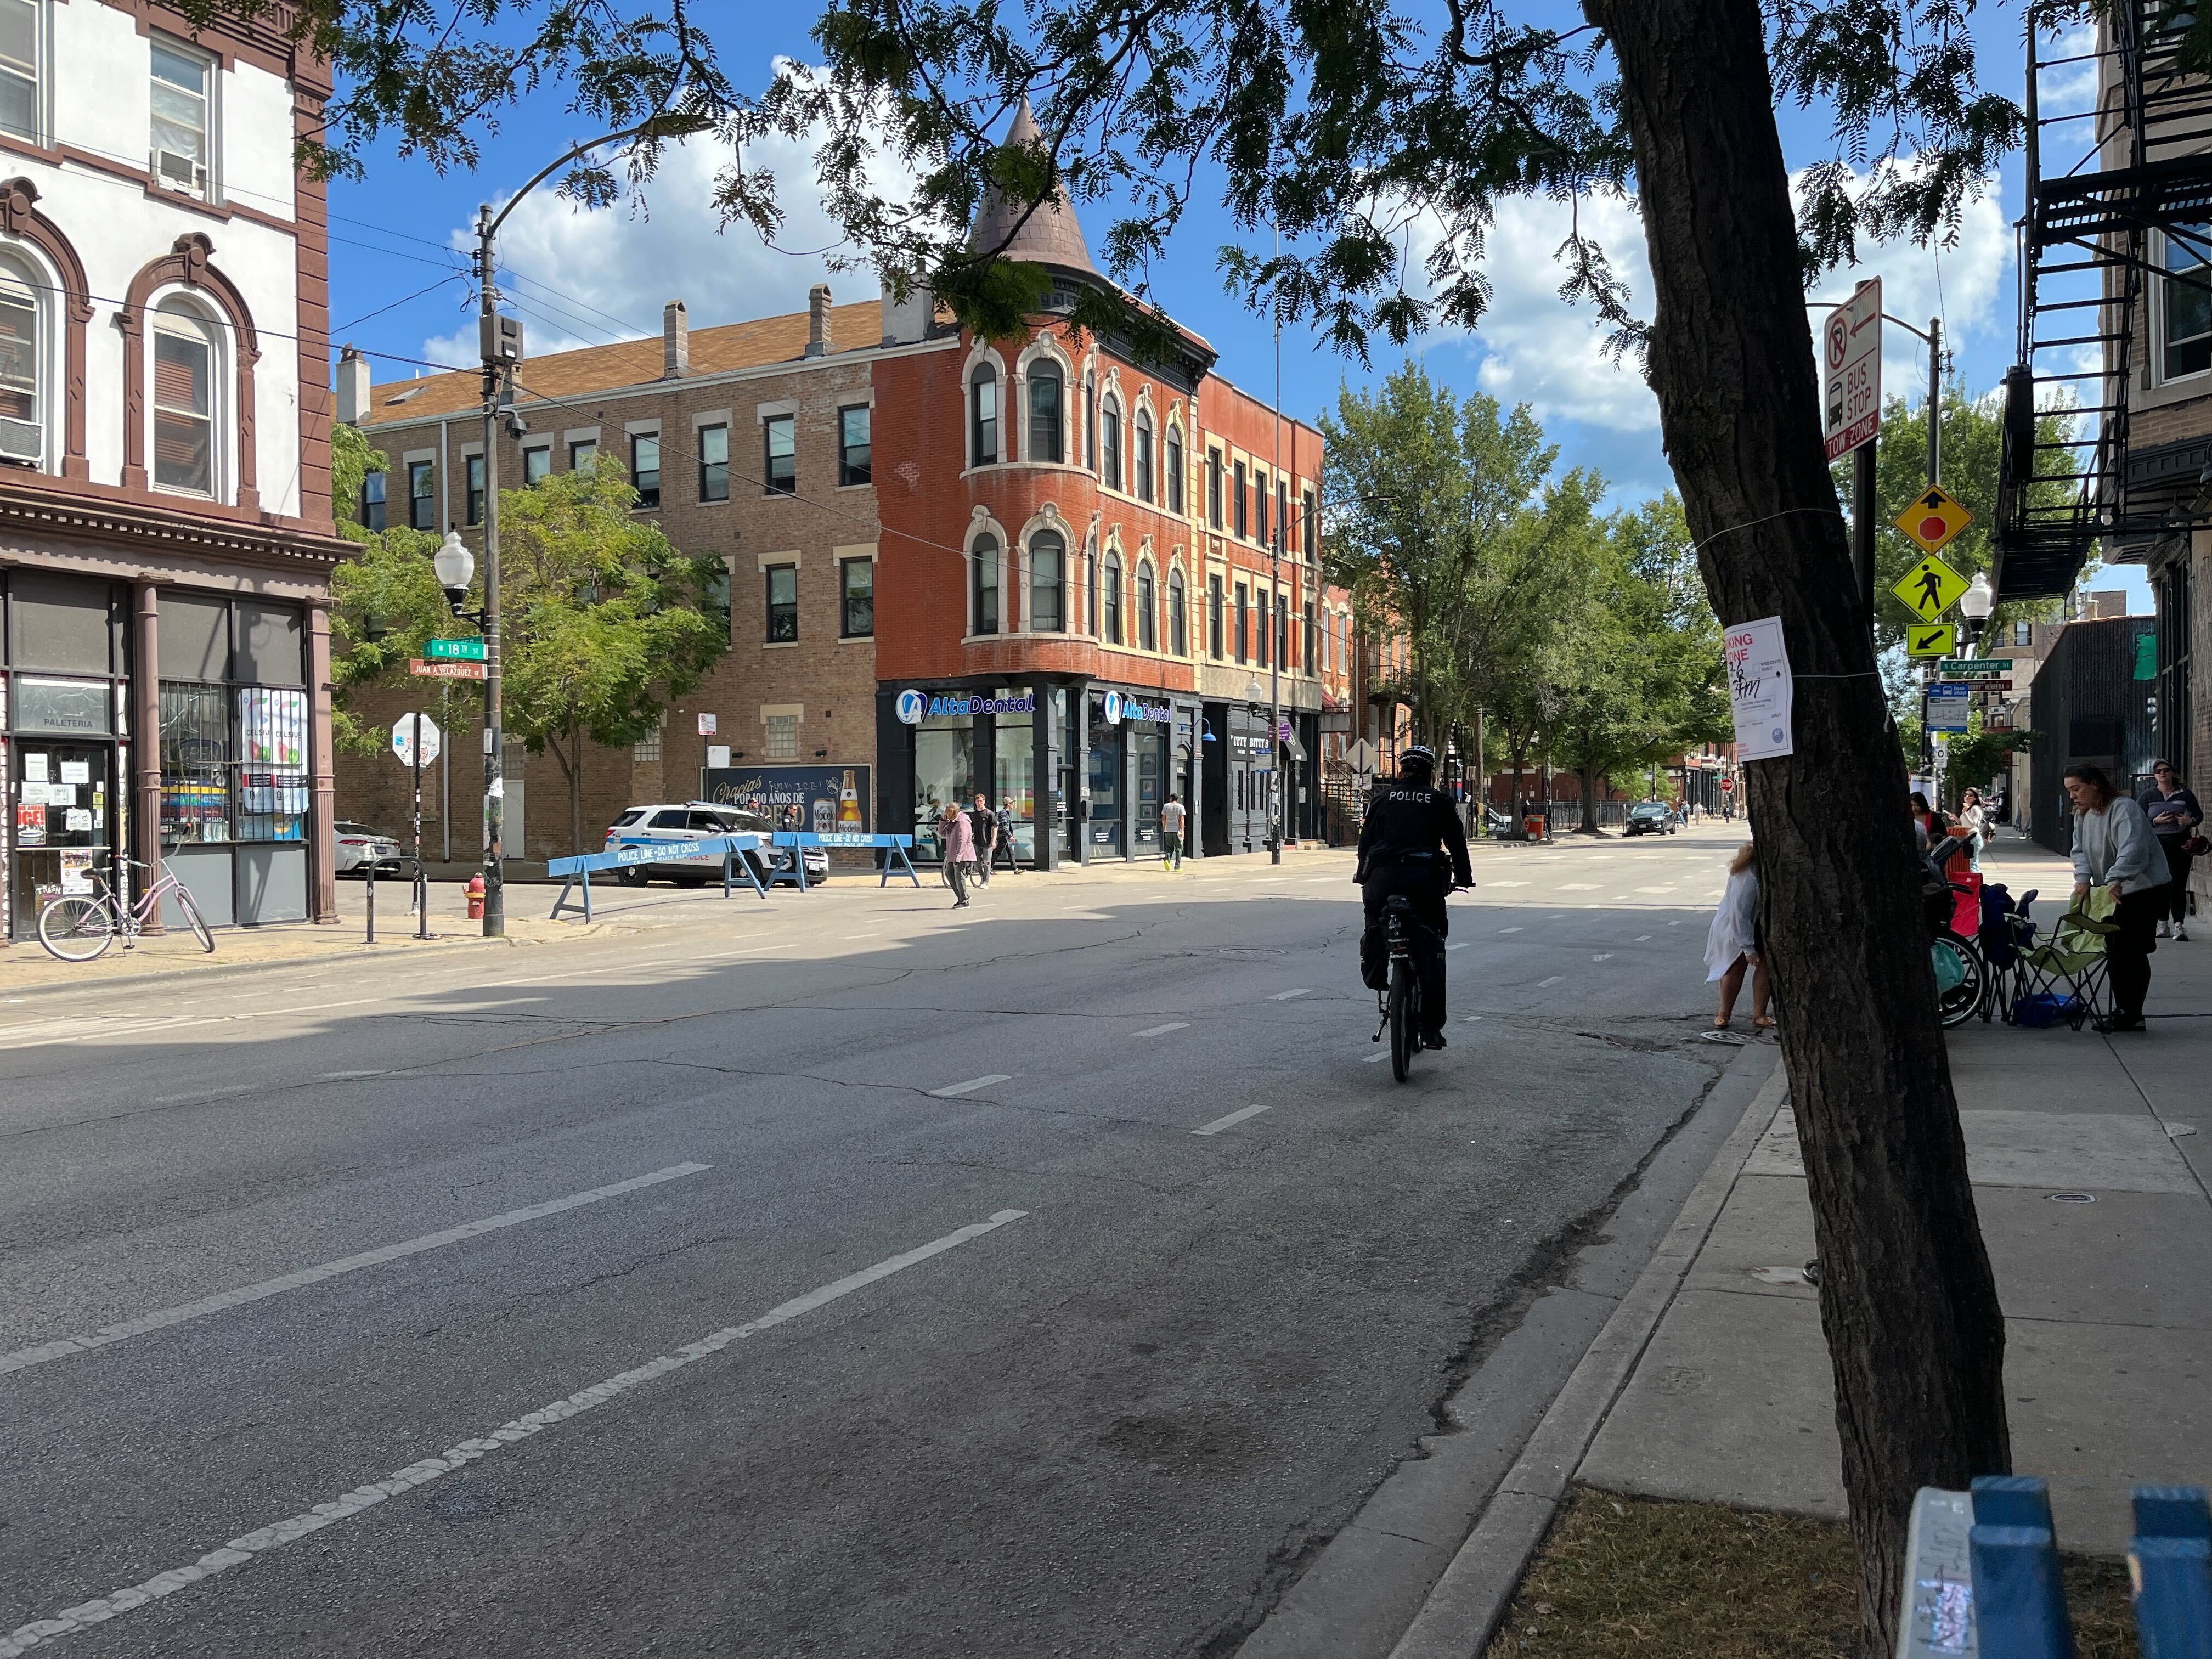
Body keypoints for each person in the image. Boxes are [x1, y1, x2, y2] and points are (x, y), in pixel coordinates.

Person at [1355, 744, 1474, 1049]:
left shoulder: (1381, 799)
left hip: (1381, 879)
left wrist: (1362, 873)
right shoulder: (1439, 801)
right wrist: (1464, 877)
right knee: (1433, 940)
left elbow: (1365, 842)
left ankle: (1378, 968)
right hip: (1424, 880)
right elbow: (1457, 845)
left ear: (1402, 771)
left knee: (1374, 924)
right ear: (1430, 773)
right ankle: (1431, 1029)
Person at [2066, 762, 2166, 1031]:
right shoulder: (2083, 815)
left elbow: (2132, 848)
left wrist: (2117, 877)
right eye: (2069, 791)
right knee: (2114, 951)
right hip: (2112, 888)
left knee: (2131, 951)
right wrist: (2083, 879)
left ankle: (2132, 1013)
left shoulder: (2124, 808)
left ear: (2095, 784)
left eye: (2077, 788)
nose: (2073, 795)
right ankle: (2124, 1010)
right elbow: (2079, 851)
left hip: (2142, 888)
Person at [1705, 840, 1771, 1031]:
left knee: (1766, 966)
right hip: (1734, 928)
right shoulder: (1747, 874)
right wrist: (1747, 948)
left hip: (1757, 923)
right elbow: (1739, 914)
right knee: (1735, 968)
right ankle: (1724, 1014)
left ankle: (1759, 1014)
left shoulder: (1762, 870)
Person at [2138, 759, 2202, 941]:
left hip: (2181, 843)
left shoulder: (2185, 795)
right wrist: (2155, 822)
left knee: (2178, 884)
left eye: (2166, 770)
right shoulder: (2148, 796)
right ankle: (2162, 922)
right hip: (2157, 844)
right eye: (2158, 771)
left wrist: (2190, 822)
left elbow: (2198, 815)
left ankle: (2179, 925)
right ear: (2154, 776)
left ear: (2172, 773)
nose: (2162, 773)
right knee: (2160, 884)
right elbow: (2136, 819)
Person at [940, 800, 975, 908]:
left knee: (959, 876)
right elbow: (942, 833)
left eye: (947, 813)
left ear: (953, 812)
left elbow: (962, 840)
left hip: (961, 854)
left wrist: (959, 857)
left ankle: (964, 900)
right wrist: (943, 821)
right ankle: (962, 897)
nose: (946, 815)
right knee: (949, 873)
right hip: (953, 854)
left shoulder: (962, 822)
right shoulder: (952, 821)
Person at [1957, 787, 1989, 873]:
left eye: (1970, 795)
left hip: (1974, 837)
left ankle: (1975, 881)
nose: (1967, 797)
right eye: (1966, 795)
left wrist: (1965, 814)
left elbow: (1972, 824)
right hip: (1969, 837)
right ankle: (1975, 881)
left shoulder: (1975, 808)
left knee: (1972, 864)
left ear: (1975, 798)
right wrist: (1956, 819)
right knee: (1972, 862)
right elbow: (1965, 824)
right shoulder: (1969, 809)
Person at [969, 792, 997, 885]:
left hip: (987, 842)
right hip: (977, 842)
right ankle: (983, 876)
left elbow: (994, 827)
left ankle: (985, 882)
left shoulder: (989, 814)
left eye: (981, 801)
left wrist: (993, 841)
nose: (979, 803)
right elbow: (970, 827)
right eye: (977, 801)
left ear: (984, 802)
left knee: (987, 862)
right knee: (975, 860)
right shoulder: (973, 815)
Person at [992, 795, 1020, 873]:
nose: (1012, 804)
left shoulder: (1006, 813)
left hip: (1006, 836)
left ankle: (1015, 869)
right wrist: (1010, 836)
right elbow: (1005, 827)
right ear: (1008, 804)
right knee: (998, 852)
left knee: (1010, 852)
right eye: (1011, 803)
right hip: (1004, 837)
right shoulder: (1004, 813)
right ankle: (989, 868)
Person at [1159, 792, 1186, 870]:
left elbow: (1163, 818)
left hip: (1168, 830)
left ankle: (1167, 860)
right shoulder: (1181, 807)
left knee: (1169, 847)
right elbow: (1182, 819)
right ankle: (1177, 866)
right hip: (1177, 831)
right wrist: (1182, 830)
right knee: (1178, 848)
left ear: (1171, 798)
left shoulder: (1166, 806)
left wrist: (1164, 827)